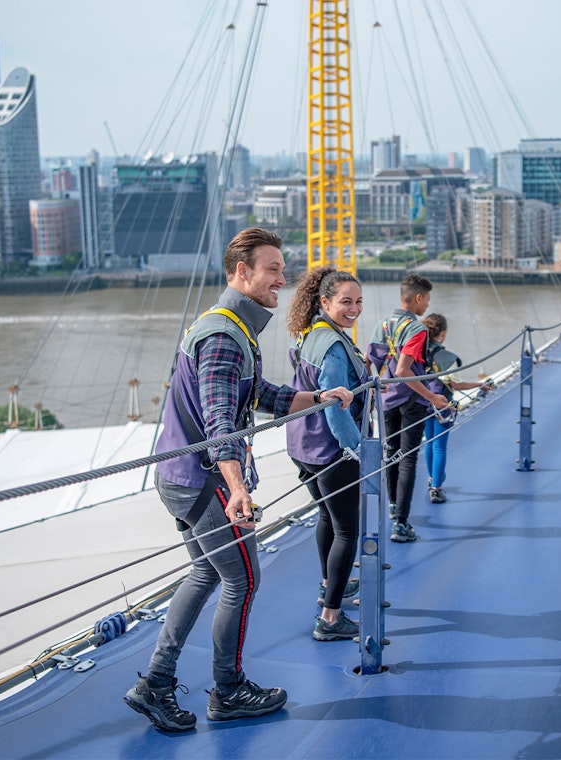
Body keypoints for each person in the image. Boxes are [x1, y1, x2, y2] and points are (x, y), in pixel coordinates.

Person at [124, 228, 353, 733]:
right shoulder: (225, 336)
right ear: (241, 272)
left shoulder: (230, 327)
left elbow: (264, 395)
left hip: (181, 476)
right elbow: (219, 421)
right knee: (243, 579)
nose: (283, 278)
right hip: (206, 481)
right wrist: (239, 488)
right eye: (272, 269)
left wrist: (321, 397)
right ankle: (227, 691)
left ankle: (155, 683)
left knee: (207, 574)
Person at [285, 266, 370, 641]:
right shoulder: (334, 346)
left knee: (327, 519)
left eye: (358, 302)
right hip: (331, 450)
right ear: (324, 302)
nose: (354, 309)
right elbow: (336, 407)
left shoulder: (311, 333)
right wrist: (360, 451)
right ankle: (331, 619)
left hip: (303, 446)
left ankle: (328, 585)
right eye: (345, 302)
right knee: (348, 530)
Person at [367, 273, 450, 543]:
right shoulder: (417, 329)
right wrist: (433, 397)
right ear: (418, 298)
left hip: (386, 400)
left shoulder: (381, 323)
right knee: (408, 459)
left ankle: (392, 507)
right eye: (426, 300)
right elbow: (404, 370)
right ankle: (401, 524)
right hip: (411, 401)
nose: (427, 306)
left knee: (390, 454)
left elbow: (367, 359)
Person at [420, 313, 495, 504]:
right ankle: (436, 489)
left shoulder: (419, 352)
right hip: (443, 406)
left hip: (423, 402)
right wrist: (480, 384)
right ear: (443, 334)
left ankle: (431, 479)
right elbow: (457, 385)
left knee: (429, 443)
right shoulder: (447, 357)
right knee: (439, 446)